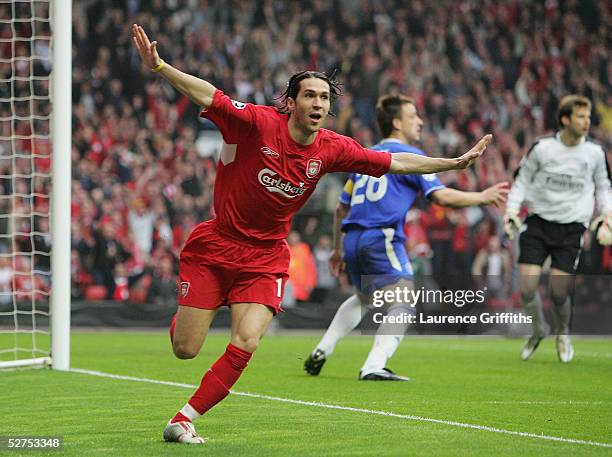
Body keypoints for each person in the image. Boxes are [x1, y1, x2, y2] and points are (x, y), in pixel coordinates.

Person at [131, 24, 492, 444]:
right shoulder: (257, 123)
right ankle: (193, 310)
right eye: (310, 95)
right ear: (291, 102)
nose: (318, 102)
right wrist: (159, 66)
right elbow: (208, 94)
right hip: (217, 245)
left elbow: (394, 164)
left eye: (324, 97)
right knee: (185, 348)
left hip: (265, 257)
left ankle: (184, 418)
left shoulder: (332, 147)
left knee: (247, 340)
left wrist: (451, 164)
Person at [303, 94, 508, 380]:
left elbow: (341, 207)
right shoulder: (408, 158)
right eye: (413, 116)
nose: (420, 121)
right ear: (397, 123)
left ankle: (322, 350)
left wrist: (338, 250)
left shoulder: (367, 155)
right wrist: (481, 196)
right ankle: (374, 365)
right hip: (382, 237)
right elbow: (441, 197)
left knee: (363, 297)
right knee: (404, 301)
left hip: (352, 238)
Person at [503, 95, 612, 363]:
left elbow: (603, 186)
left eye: (588, 117)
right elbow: (522, 181)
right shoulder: (542, 148)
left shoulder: (595, 153)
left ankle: (562, 333)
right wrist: (511, 212)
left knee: (558, 291)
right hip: (539, 222)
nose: (587, 122)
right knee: (527, 288)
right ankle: (540, 330)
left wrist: (607, 216)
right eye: (580, 116)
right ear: (565, 119)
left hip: (572, 228)